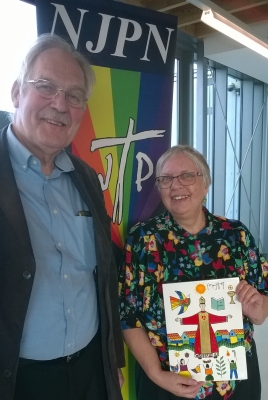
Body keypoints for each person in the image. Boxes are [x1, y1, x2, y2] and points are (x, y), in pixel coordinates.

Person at [0, 34, 124, 400]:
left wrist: (110, 358)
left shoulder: (86, 179)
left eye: (74, 96)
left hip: (90, 371)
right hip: (19, 379)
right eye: (46, 86)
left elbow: (101, 276)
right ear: (17, 92)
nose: (60, 104)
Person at [118, 145, 268, 400]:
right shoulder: (142, 239)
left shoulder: (236, 235)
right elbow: (127, 315)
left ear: (206, 184)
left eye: (187, 175)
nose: (176, 185)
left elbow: (261, 307)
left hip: (234, 384)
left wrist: (257, 310)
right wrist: (157, 375)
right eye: (166, 179)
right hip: (165, 384)